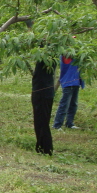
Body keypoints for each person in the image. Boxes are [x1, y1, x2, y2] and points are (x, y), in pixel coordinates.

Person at [27, 21, 55, 155]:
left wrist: (30, 26)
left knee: (42, 122)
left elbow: (37, 40)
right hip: (44, 90)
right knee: (40, 121)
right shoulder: (51, 54)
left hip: (42, 92)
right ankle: (42, 146)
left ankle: (46, 149)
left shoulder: (47, 55)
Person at [52, 55, 85, 130]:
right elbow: (69, 56)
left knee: (73, 104)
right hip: (68, 83)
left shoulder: (77, 56)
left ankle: (69, 123)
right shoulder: (66, 55)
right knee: (64, 104)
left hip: (76, 82)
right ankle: (57, 125)